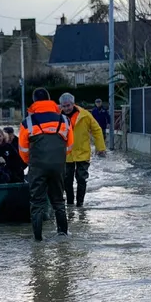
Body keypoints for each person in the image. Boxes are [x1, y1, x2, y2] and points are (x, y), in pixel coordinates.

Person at [18, 88, 73, 241]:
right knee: (58, 201)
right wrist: (58, 159)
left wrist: (31, 162)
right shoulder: (64, 120)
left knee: (36, 203)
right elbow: (69, 146)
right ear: (50, 100)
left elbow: (22, 149)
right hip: (58, 165)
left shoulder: (27, 122)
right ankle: (63, 236)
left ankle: (38, 240)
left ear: (34, 102)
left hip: (37, 166)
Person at [58, 93, 107, 207]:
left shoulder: (85, 115)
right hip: (66, 154)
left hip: (83, 153)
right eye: (64, 106)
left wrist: (101, 148)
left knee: (81, 179)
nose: (66, 108)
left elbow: (97, 130)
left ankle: (80, 205)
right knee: (67, 181)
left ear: (73, 104)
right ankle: (70, 204)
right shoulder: (57, 117)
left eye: (68, 105)